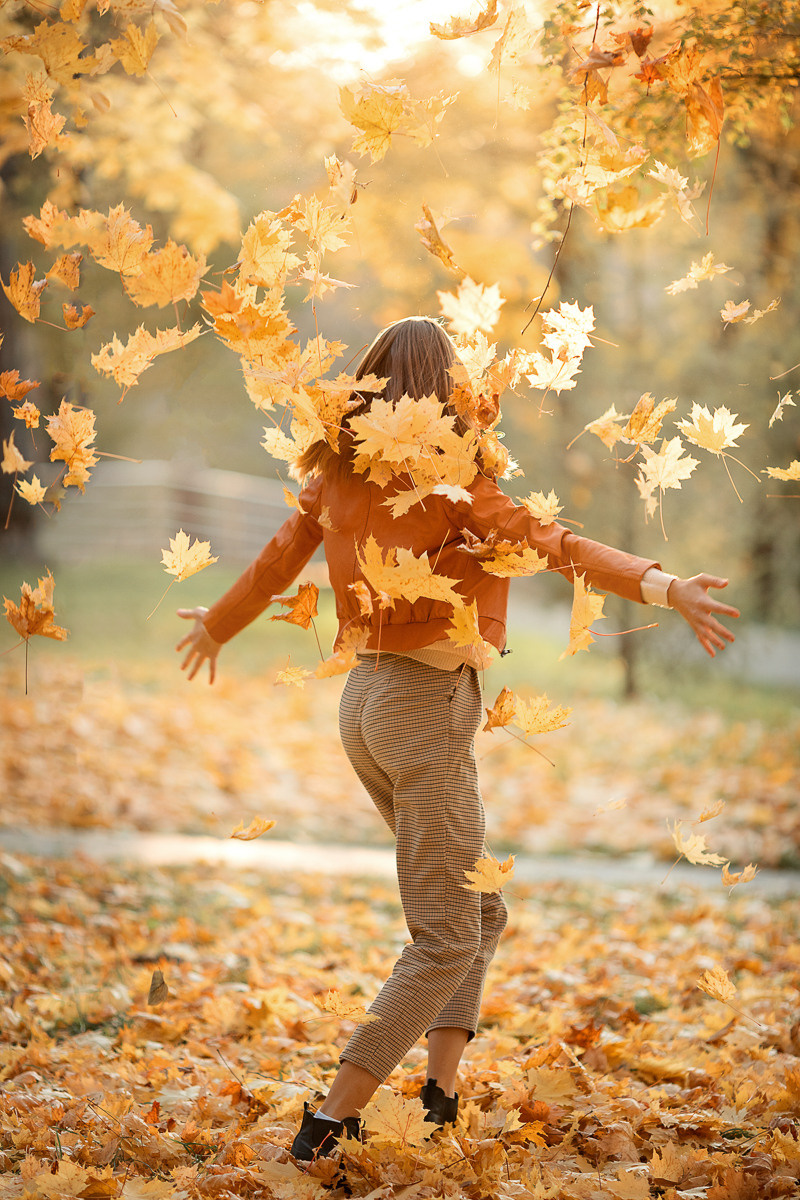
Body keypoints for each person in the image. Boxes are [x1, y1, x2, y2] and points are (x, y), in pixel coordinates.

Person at [175, 316, 739, 1161]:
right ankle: (329, 1120)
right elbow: (556, 545)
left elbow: (278, 557)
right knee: (443, 936)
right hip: (424, 706)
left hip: (363, 706)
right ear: (447, 393)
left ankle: (440, 1095)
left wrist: (218, 626)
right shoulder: (455, 477)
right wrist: (663, 587)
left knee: (480, 909)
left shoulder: (338, 470)